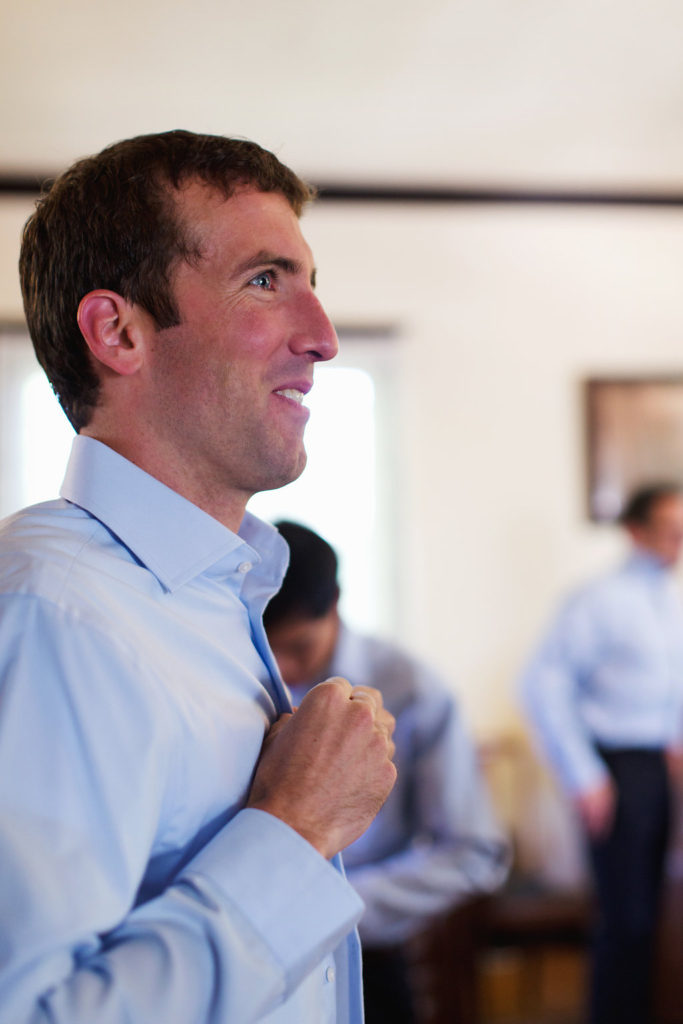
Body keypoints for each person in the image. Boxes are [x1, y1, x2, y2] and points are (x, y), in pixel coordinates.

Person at [0, 130, 398, 1023]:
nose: (323, 338)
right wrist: (295, 835)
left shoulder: (210, 602)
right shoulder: (48, 614)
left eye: (311, 284)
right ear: (120, 331)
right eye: (265, 281)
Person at [264, 521, 510, 1024]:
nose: (284, 670)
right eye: (272, 649)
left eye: (299, 647)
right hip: (254, 947)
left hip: (368, 947)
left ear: (334, 604)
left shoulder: (414, 688)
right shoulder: (246, 682)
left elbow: (475, 850)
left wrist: (333, 905)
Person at [520, 483, 683, 1024]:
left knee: (658, 918)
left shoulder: (672, 596)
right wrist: (585, 776)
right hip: (616, 769)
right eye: (668, 527)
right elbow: (545, 685)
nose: (678, 538)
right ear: (635, 531)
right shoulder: (598, 600)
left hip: (662, 767)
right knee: (625, 919)